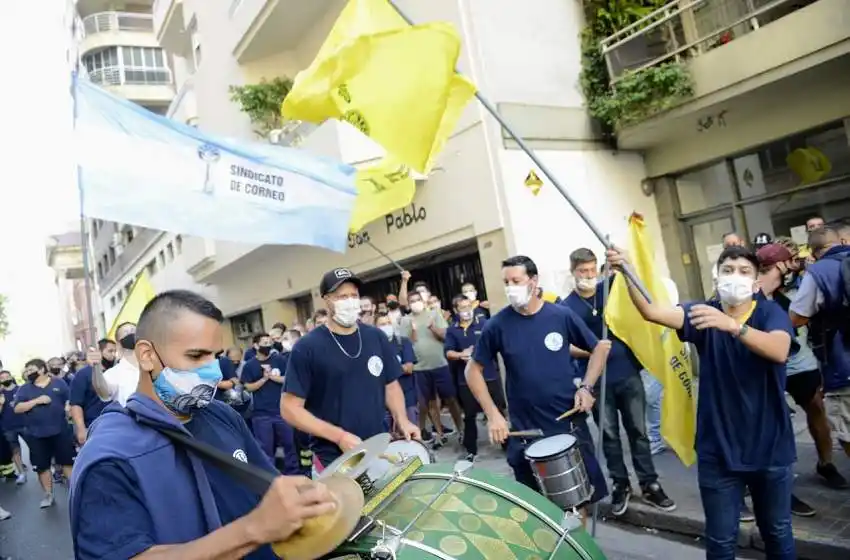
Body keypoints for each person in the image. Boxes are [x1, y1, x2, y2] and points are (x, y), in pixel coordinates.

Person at [70, 290, 337, 559]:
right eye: (196, 356)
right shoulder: (111, 457)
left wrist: (305, 502)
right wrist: (253, 530)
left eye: (215, 356)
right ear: (147, 355)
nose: (213, 372)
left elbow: (268, 484)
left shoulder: (223, 415)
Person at [608, 245, 796, 559]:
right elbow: (653, 312)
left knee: (777, 533)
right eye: (728, 270)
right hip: (718, 451)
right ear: (717, 276)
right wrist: (627, 271)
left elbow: (779, 350)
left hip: (770, 448)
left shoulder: (768, 312)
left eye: (744, 271)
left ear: (755, 283)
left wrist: (734, 327)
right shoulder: (703, 312)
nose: (734, 276)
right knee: (721, 540)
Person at [466, 255, 610, 521]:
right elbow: (472, 370)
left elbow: (599, 349)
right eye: (506, 282)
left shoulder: (560, 315)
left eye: (516, 281)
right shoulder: (497, 324)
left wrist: (587, 388)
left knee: (578, 506)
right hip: (526, 432)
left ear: (533, 281)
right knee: (537, 513)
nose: (510, 287)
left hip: (568, 425)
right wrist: (494, 415)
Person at [562, 248, 674, 515]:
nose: (587, 276)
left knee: (639, 431)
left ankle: (650, 484)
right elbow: (565, 346)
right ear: (573, 272)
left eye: (591, 270)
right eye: (582, 272)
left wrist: (624, 262)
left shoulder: (612, 289)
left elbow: (638, 287)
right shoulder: (566, 307)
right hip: (598, 380)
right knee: (609, 435)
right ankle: (620, 485)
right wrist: (594, 350)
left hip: (628, 374)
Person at [282, 268, 420, 472]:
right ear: (327, 300)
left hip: (379, 448)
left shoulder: (376, 337)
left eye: (353, 295)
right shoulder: (307, 347)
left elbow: (390, 385)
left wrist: (402, 420)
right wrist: (339, 437)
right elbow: (290, 409)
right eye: (342, 296)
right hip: (333, 459)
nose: (349, 301)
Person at [790, 224, 850, 473]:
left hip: (842, 364)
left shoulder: (818, 273)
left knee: (847, 428)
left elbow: (796, 318)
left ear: (813, 252)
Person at [400, 289, 464, 449]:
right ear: (408, 304)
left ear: (423, 300)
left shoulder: (434, 313)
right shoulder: (405, 320)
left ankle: (461, 430)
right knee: (430, 403)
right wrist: (413, 330)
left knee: (450, 399)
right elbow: (406, 343)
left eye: (417, 299)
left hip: (440, 363)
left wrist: (433, 327)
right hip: (419, 368)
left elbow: (444, 335)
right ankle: (440, 435)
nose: (415, 303)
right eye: (412, 301)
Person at [445, 296, 506, 461]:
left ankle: (506, 442)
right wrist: (461, 355)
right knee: (470, 415)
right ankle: (471, 449)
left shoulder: (484, 324)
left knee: (498, 409)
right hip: (465, 380)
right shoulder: (452, 330)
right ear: (456, 311)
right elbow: (448, 352)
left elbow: (496, 345)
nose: (466, 311)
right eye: (462, 308)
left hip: (489, 375)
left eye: (468, 306)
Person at [14, 358, 74, 508]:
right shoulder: (25, 389)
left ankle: (76, 491)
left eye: (31, 369)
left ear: (41, 369)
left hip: (61, 431)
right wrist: (36, 401)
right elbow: (17, 408)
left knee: (67, 462)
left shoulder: (58, 383)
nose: (28, 372)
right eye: (26, 370)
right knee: (42, 467)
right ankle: (48, 495)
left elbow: (69, 400)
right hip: (36, 435)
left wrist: (68, 408)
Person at [241, 333, 297, 474]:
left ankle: (294, 474)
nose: (267, 345)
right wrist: (264, 379)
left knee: (289, 445)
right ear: (256, 345)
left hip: (282, 411)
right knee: (266, 449)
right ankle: (270, 478)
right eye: (264, 342)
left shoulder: (279, 360)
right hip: (261, 414)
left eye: (269, 342)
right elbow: (248, 387)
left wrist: (272, 376)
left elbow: (287, 379)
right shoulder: (250, 365)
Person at [375, 312, 417, 436]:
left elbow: (409, 368)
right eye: (382, 324)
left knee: (410, 435)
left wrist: (386, 370)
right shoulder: (374, 345)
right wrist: (398, 368)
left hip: (407, 396)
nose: (386, 326)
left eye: (388, 323)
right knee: (389, 438)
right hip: (383, 401)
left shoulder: (402, 342)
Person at [0, 369, 26, 484]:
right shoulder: (0, 394)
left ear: (11, 376)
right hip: (8, 427)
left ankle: (43, 468)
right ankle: (21, 473)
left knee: (36, 448)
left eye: (7, 376)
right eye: (2, 378)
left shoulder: (21, 389)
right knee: (15, 451)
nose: (5, 379)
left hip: (25, 424)